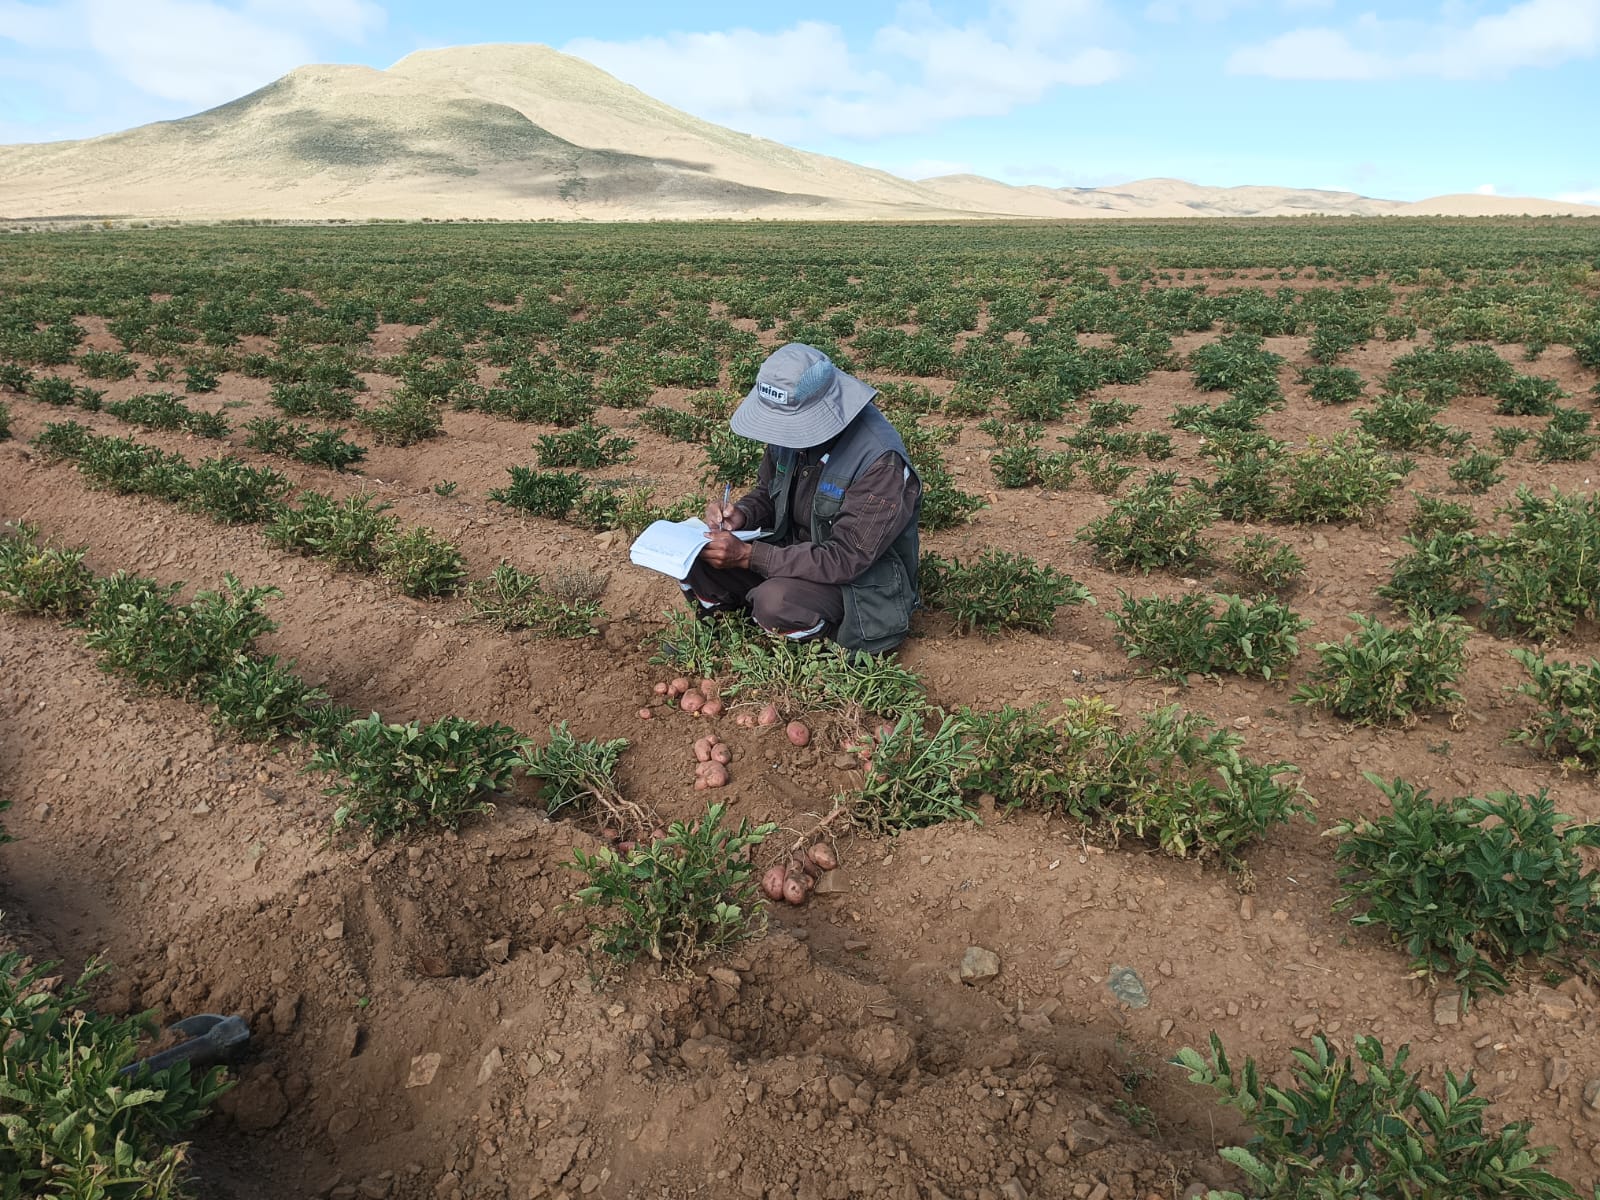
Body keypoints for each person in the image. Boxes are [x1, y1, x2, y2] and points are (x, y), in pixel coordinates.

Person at [684, 342, 922, 654]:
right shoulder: (787, 438)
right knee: (694, 561)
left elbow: (845, 559)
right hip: (795, 556)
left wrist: (748, 556)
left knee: (776, 601)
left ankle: (822, 649)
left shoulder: (880, 461)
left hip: (857, 584)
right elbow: (767, 496)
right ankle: (732, 631)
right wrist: (741, 515)